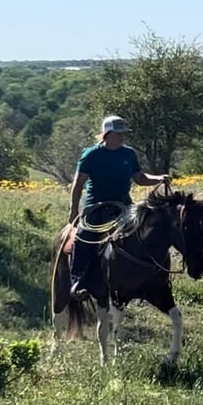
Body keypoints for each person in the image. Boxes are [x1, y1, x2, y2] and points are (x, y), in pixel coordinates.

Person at [68, 115, 170, 301]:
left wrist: (158, 178)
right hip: (96, 205)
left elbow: (139, 177)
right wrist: (73, 210)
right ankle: (78, 280)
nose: (123, 137)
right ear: (107, 134)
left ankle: (146, 279)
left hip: (123, 204)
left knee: (142, 233)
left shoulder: (128, 154)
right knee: (84, 237)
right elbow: (78, 184)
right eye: (119, 134)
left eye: (124, 134)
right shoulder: (91, 155)